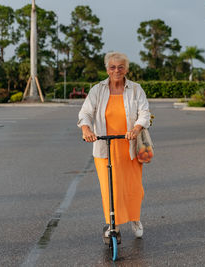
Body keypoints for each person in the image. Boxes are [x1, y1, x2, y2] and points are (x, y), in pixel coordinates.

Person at [78, 51, 151, 243]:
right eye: (112, 67)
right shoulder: (97, 90)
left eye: (120, 67)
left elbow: (144, 112)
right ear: (107, 69)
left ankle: (134, 218)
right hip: (104, 147)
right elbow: (85, 113)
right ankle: (114, 224)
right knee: (110, 188)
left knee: (133, 188)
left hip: (130, 147)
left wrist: (136, 128)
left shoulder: (135, 89)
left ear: (126, 69)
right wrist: (86, 129)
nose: (116, 70)